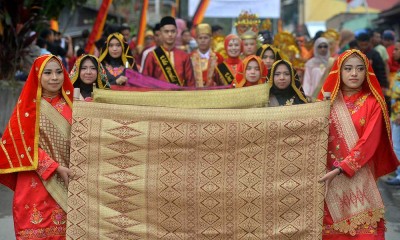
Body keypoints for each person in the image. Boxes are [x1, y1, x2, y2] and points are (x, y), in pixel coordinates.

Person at [317, 49, 398, 239]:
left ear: (366, 72)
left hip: (359, 179)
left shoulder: (373, 103)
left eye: (360, 69)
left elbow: (369, 142)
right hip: (329, 185)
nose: (354, 73)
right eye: (348, 68)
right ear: (339, 71)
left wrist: (341, 168)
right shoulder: (326, 103)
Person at [0, 54, 75, 239]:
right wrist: (53, 166)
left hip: (70, 182)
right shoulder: (27, 109)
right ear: (37, 76)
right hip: (35, 182)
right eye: (47, 73)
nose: (55, 77)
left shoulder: (75, 106)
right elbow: (15, 144)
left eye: (59, 72)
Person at [142, 16, 195, 87]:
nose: (170, 34)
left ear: (176, 32)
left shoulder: (184, 56)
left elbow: (190, 82)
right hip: (158, 96)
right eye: (166, 31)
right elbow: (145, 81)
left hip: (180, 97)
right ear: (161, 33)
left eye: (173, 31)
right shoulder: (152, 56)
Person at [190, 23, 224, 87]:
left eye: (205, 38)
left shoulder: (218, 57)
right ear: (196, 40)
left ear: (211, 39)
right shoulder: (190, 57)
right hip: (194, 94)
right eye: (200, 38)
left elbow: (222, 81)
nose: (203, 40)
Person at [386, 40, 400, 185]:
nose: (393, 51)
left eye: (396, 49)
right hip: (395, 115)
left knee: (398, 147)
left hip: (399, 116)